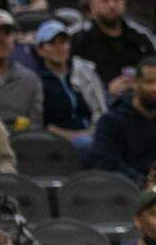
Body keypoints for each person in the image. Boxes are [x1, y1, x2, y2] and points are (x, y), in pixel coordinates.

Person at [88, 58, 156, 184]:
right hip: (123, 193)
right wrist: (143, 181)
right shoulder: (110, 121)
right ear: (135, 84)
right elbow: (105, 164)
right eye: (149, 82)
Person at [70, 0, 156, 98]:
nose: (111, 5)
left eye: (116, 0)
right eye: (104, 1)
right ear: (91, 4)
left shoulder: (141, 37)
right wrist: (105, 91)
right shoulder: (77, 38)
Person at [34, 20, 105, 150]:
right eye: (52, 43)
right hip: (56, 139)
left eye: (63, 42)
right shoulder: (36, 80)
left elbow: (100, 109)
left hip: (91, 133)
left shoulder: (85, 71)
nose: (59, 48)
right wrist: (73, 136)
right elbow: (41, 122)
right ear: (40, 50)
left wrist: (93, 133)